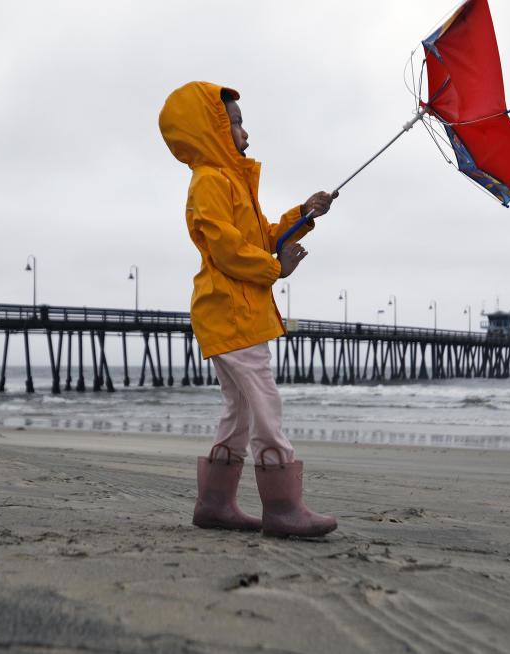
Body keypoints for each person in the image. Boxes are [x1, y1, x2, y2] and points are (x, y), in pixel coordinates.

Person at [158, 81, 338, 538]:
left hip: (232, 313)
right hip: (230, 313)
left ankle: (215, 504)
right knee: (264, 403)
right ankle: (283, 507)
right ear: (210, 130)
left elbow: (259, 239)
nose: (244, 132)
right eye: (234, 123)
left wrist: (306, 213)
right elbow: (228, 250)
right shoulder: (210, 182)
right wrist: (275, 269)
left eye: (240, 122)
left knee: (239, 410)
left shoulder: (230, 181)